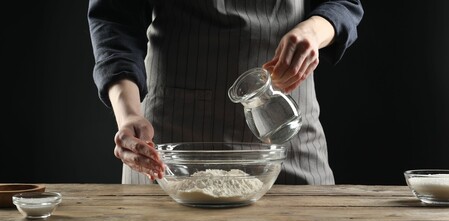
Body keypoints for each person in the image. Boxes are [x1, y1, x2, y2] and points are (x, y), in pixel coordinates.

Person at [87, 0, 364, 184]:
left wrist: (313, 31)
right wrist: (128, 115)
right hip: (169, 151)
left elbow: (344, 4)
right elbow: (115, 17)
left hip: (286, 138)